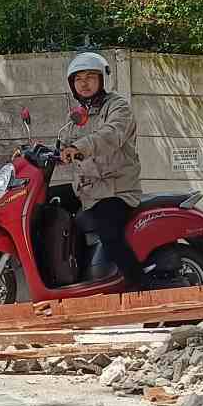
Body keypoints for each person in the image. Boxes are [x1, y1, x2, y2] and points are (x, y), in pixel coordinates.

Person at [57, 50, 143, 284]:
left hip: (116, 190)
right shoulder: (80, 114)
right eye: (78, 79)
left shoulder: (118, 107)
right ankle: (71, 274)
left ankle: (139, 285)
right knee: (47, 204)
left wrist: (79, 147)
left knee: (109, 233)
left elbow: (111, 134)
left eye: (90, 77)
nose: (84, 84)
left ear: (103, 79)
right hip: (88, 189)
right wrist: (34, 152)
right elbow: (64, 143)